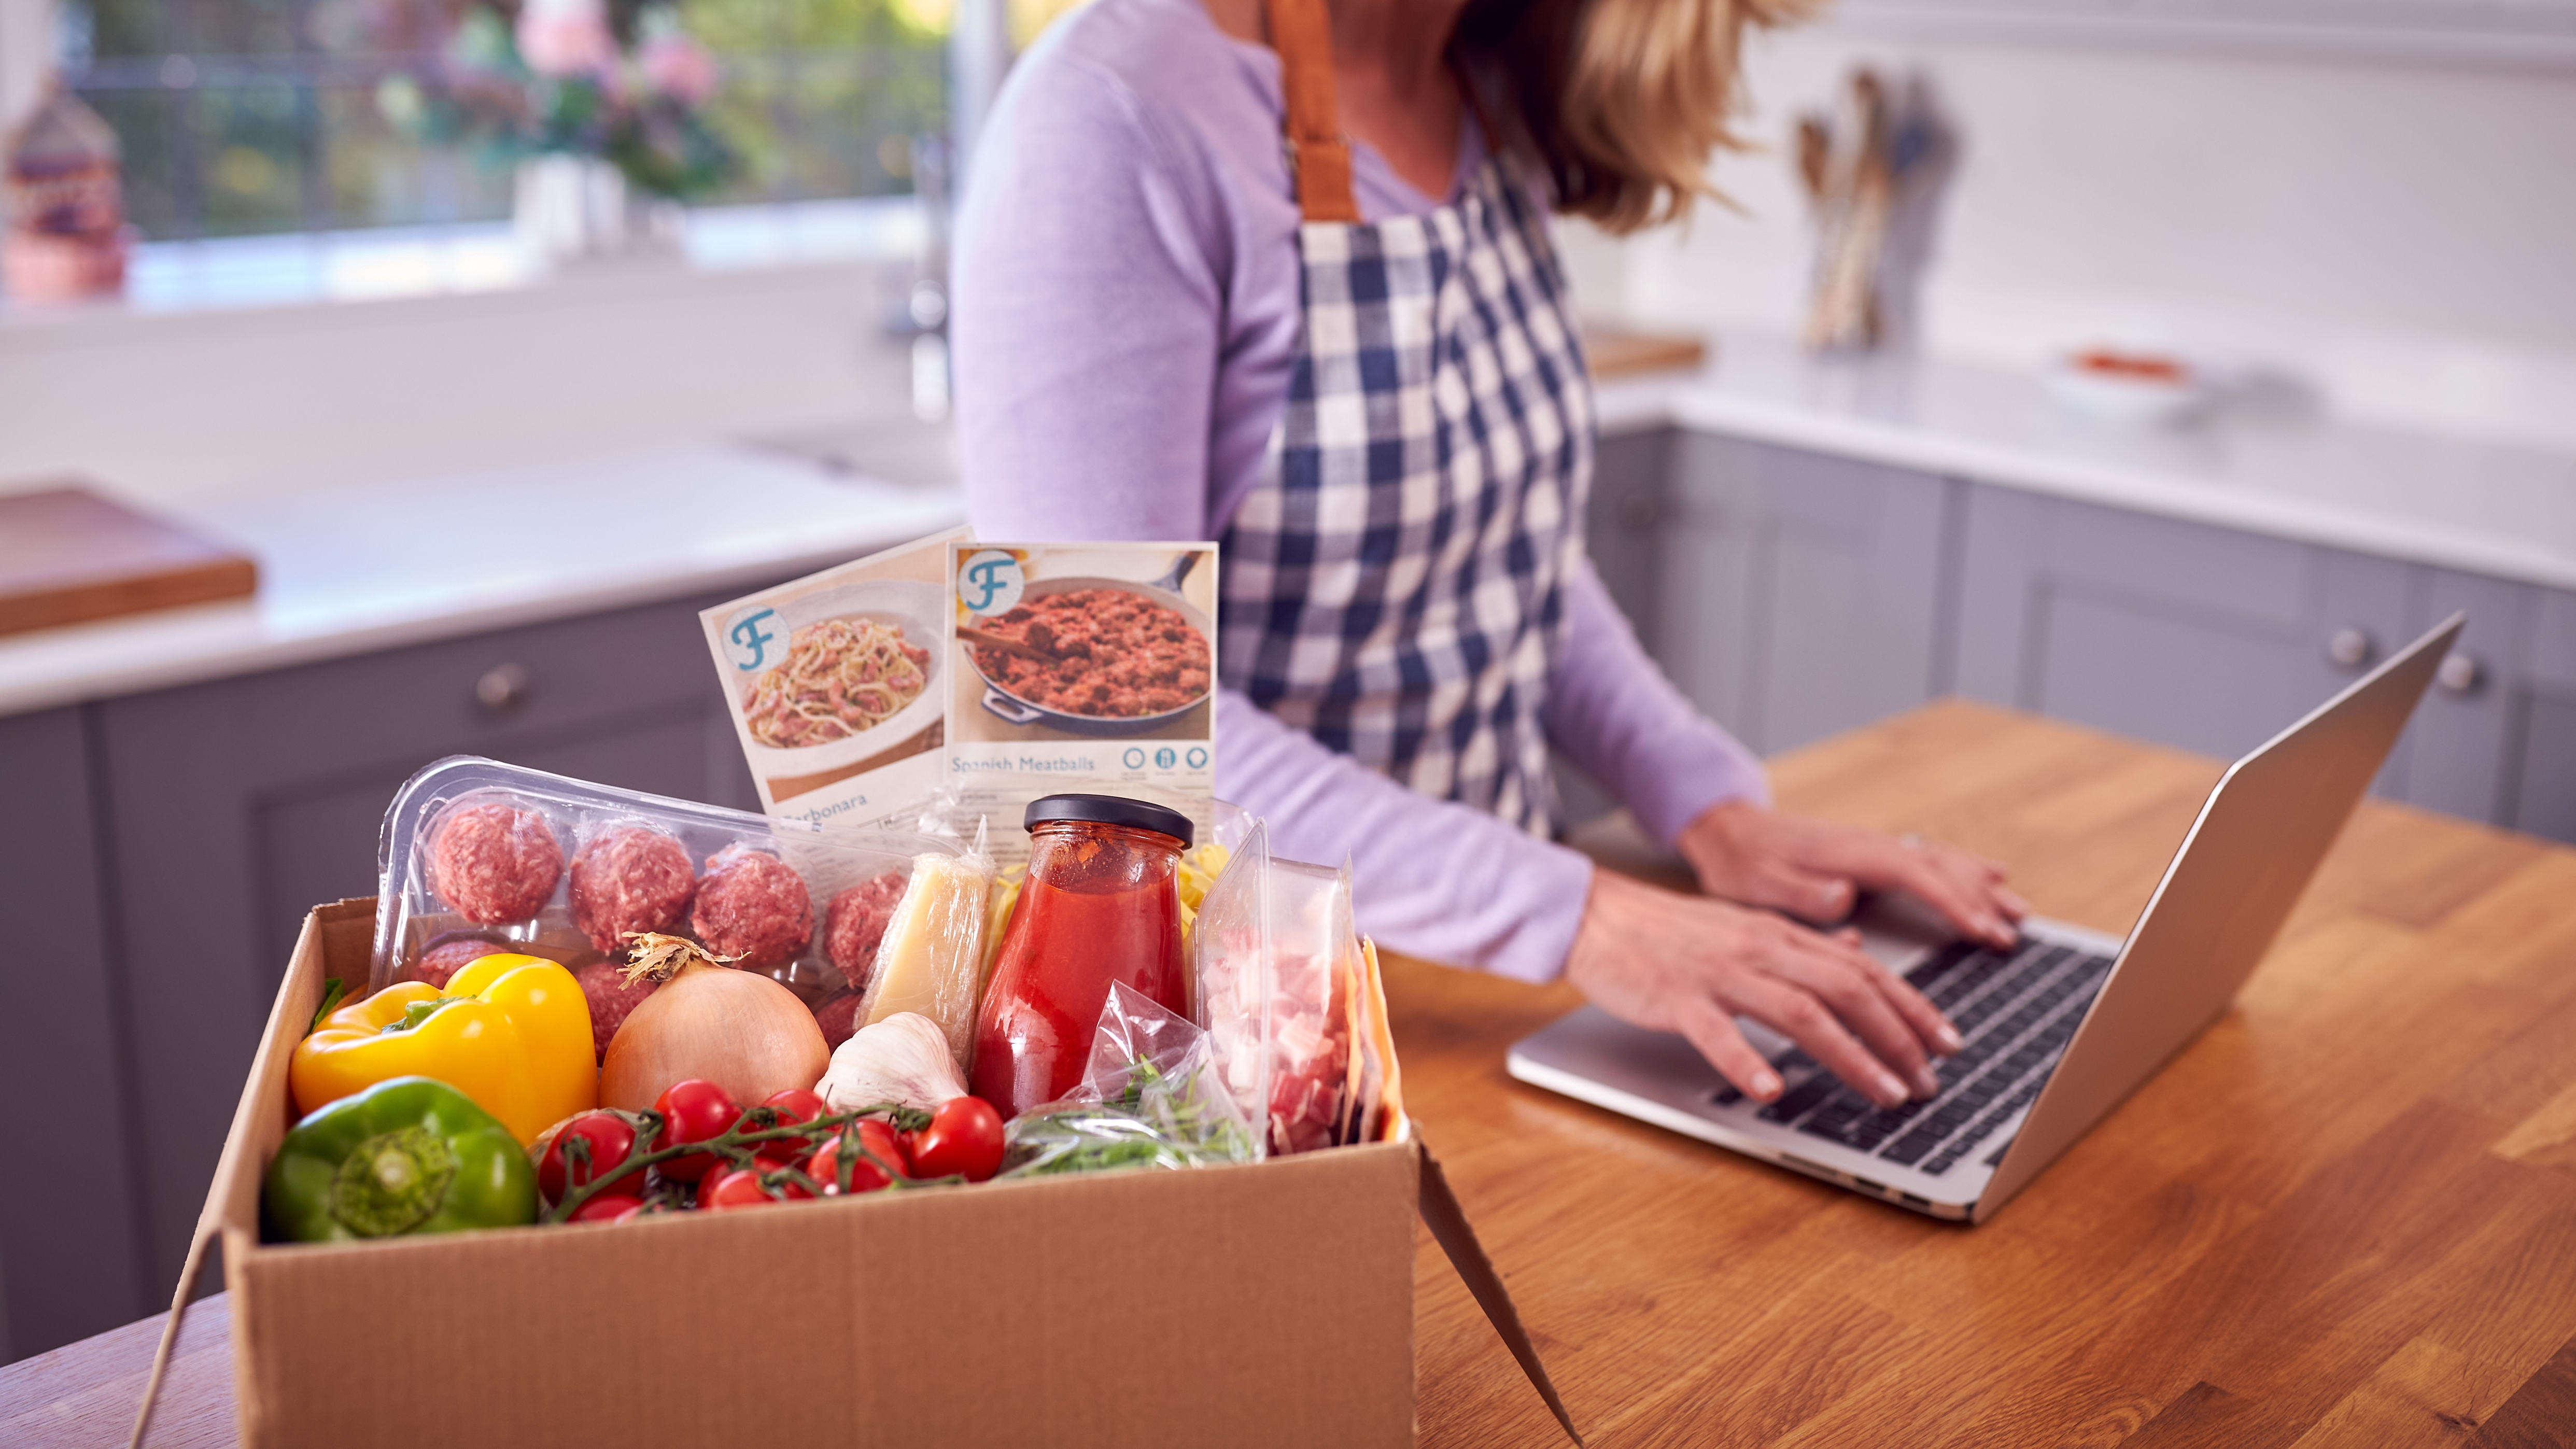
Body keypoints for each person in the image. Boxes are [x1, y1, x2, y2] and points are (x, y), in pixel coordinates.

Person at [951, 0, 2027, 1111]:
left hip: (1501, 989)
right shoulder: (1111, 122)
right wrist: (1578, 915)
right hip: (1234, 1054)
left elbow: (1504, 567)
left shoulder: (1486, 86)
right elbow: (1101, 730)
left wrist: (1704, 803)